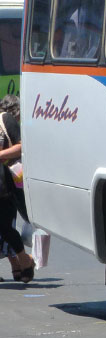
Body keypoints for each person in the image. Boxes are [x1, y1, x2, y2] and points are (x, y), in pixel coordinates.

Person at [0, 95, 33, 283]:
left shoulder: (5, 119)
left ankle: (24, 261)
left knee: (6, 227)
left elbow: (21, 147)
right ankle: (21, 263)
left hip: (4, 184)